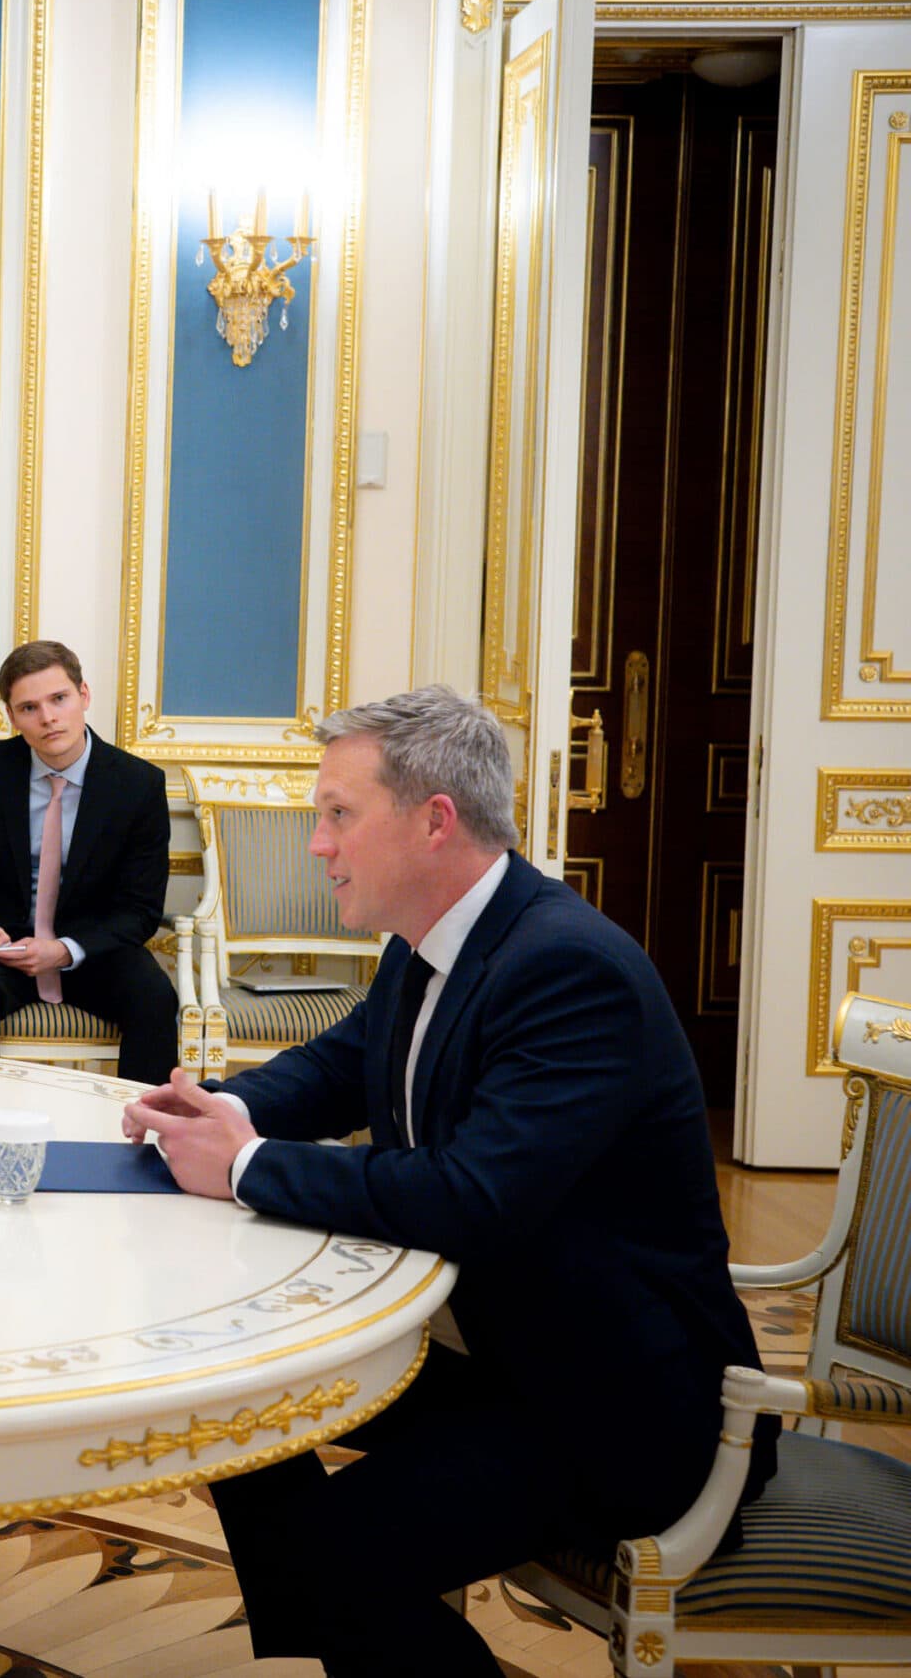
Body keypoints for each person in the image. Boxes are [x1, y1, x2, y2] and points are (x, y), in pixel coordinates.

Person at [120, 685, 773, 1677]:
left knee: (332, 1556)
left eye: (338, 814)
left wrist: (245, 1167)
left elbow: (473, 1197)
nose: (314, 845)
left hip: (613, 1404)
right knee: (228, 1418)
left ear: (433, 822)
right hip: (505, 1351)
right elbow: (343, 1062)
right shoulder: (436, 939)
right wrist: (213, 1110)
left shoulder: (567, 969)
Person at [0, 640, 178, 1082]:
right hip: (3, 947)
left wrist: (64, 950)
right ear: (11, 716)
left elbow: (140, 910)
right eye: (28, 707)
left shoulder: (139, 785)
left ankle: (143, 1139)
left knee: (154, 996)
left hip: (93, 949)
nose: (47, 718)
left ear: (83, 695)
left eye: (58, 699)